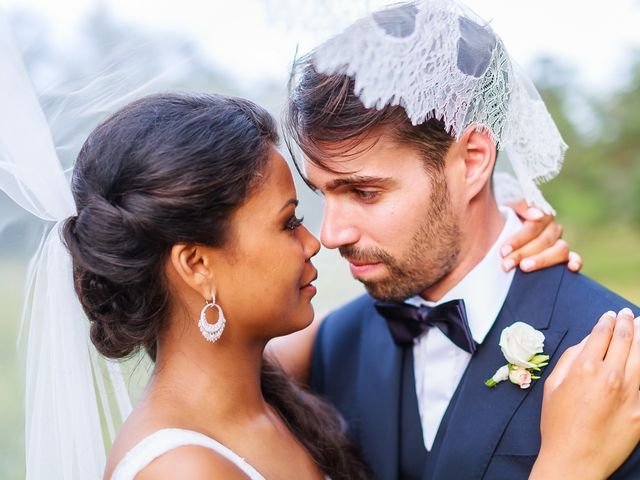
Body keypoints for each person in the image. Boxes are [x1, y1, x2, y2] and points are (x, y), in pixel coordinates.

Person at [280, 0, 640, 478]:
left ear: (472, 160)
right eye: (323, 194)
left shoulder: (616, 360)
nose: (330, 234)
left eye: (365, 192)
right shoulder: (333, 345)